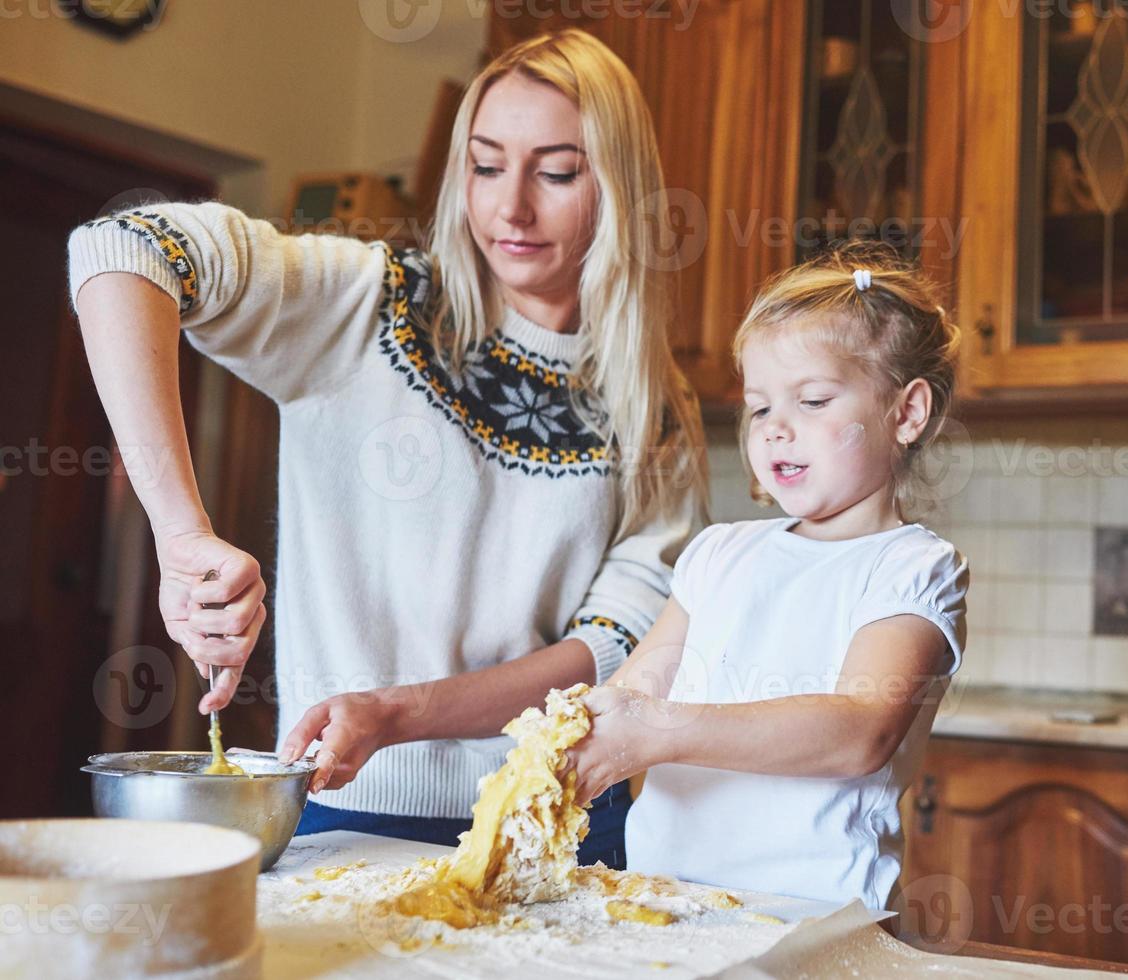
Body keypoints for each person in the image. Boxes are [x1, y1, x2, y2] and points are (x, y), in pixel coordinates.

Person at [67, 29, 706, 867]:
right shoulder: (365, 307)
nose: (509, 208)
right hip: (350, 817)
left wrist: (402, 712)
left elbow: (612, 648)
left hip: (562, 830)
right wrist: (181, 534)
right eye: (483, 166)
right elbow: (122, 250)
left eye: (555, 172)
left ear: (619, 188)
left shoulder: (654, 408)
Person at [564, 240, 969, 910]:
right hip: (664, 901)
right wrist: (582, 727)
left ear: (906, 412)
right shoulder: (717, 554)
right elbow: (636, 689)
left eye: (811, 401)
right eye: (759, 407)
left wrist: (658, 729)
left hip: (814, 920)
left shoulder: (913, 567)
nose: (776, 429)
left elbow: (859, 731)